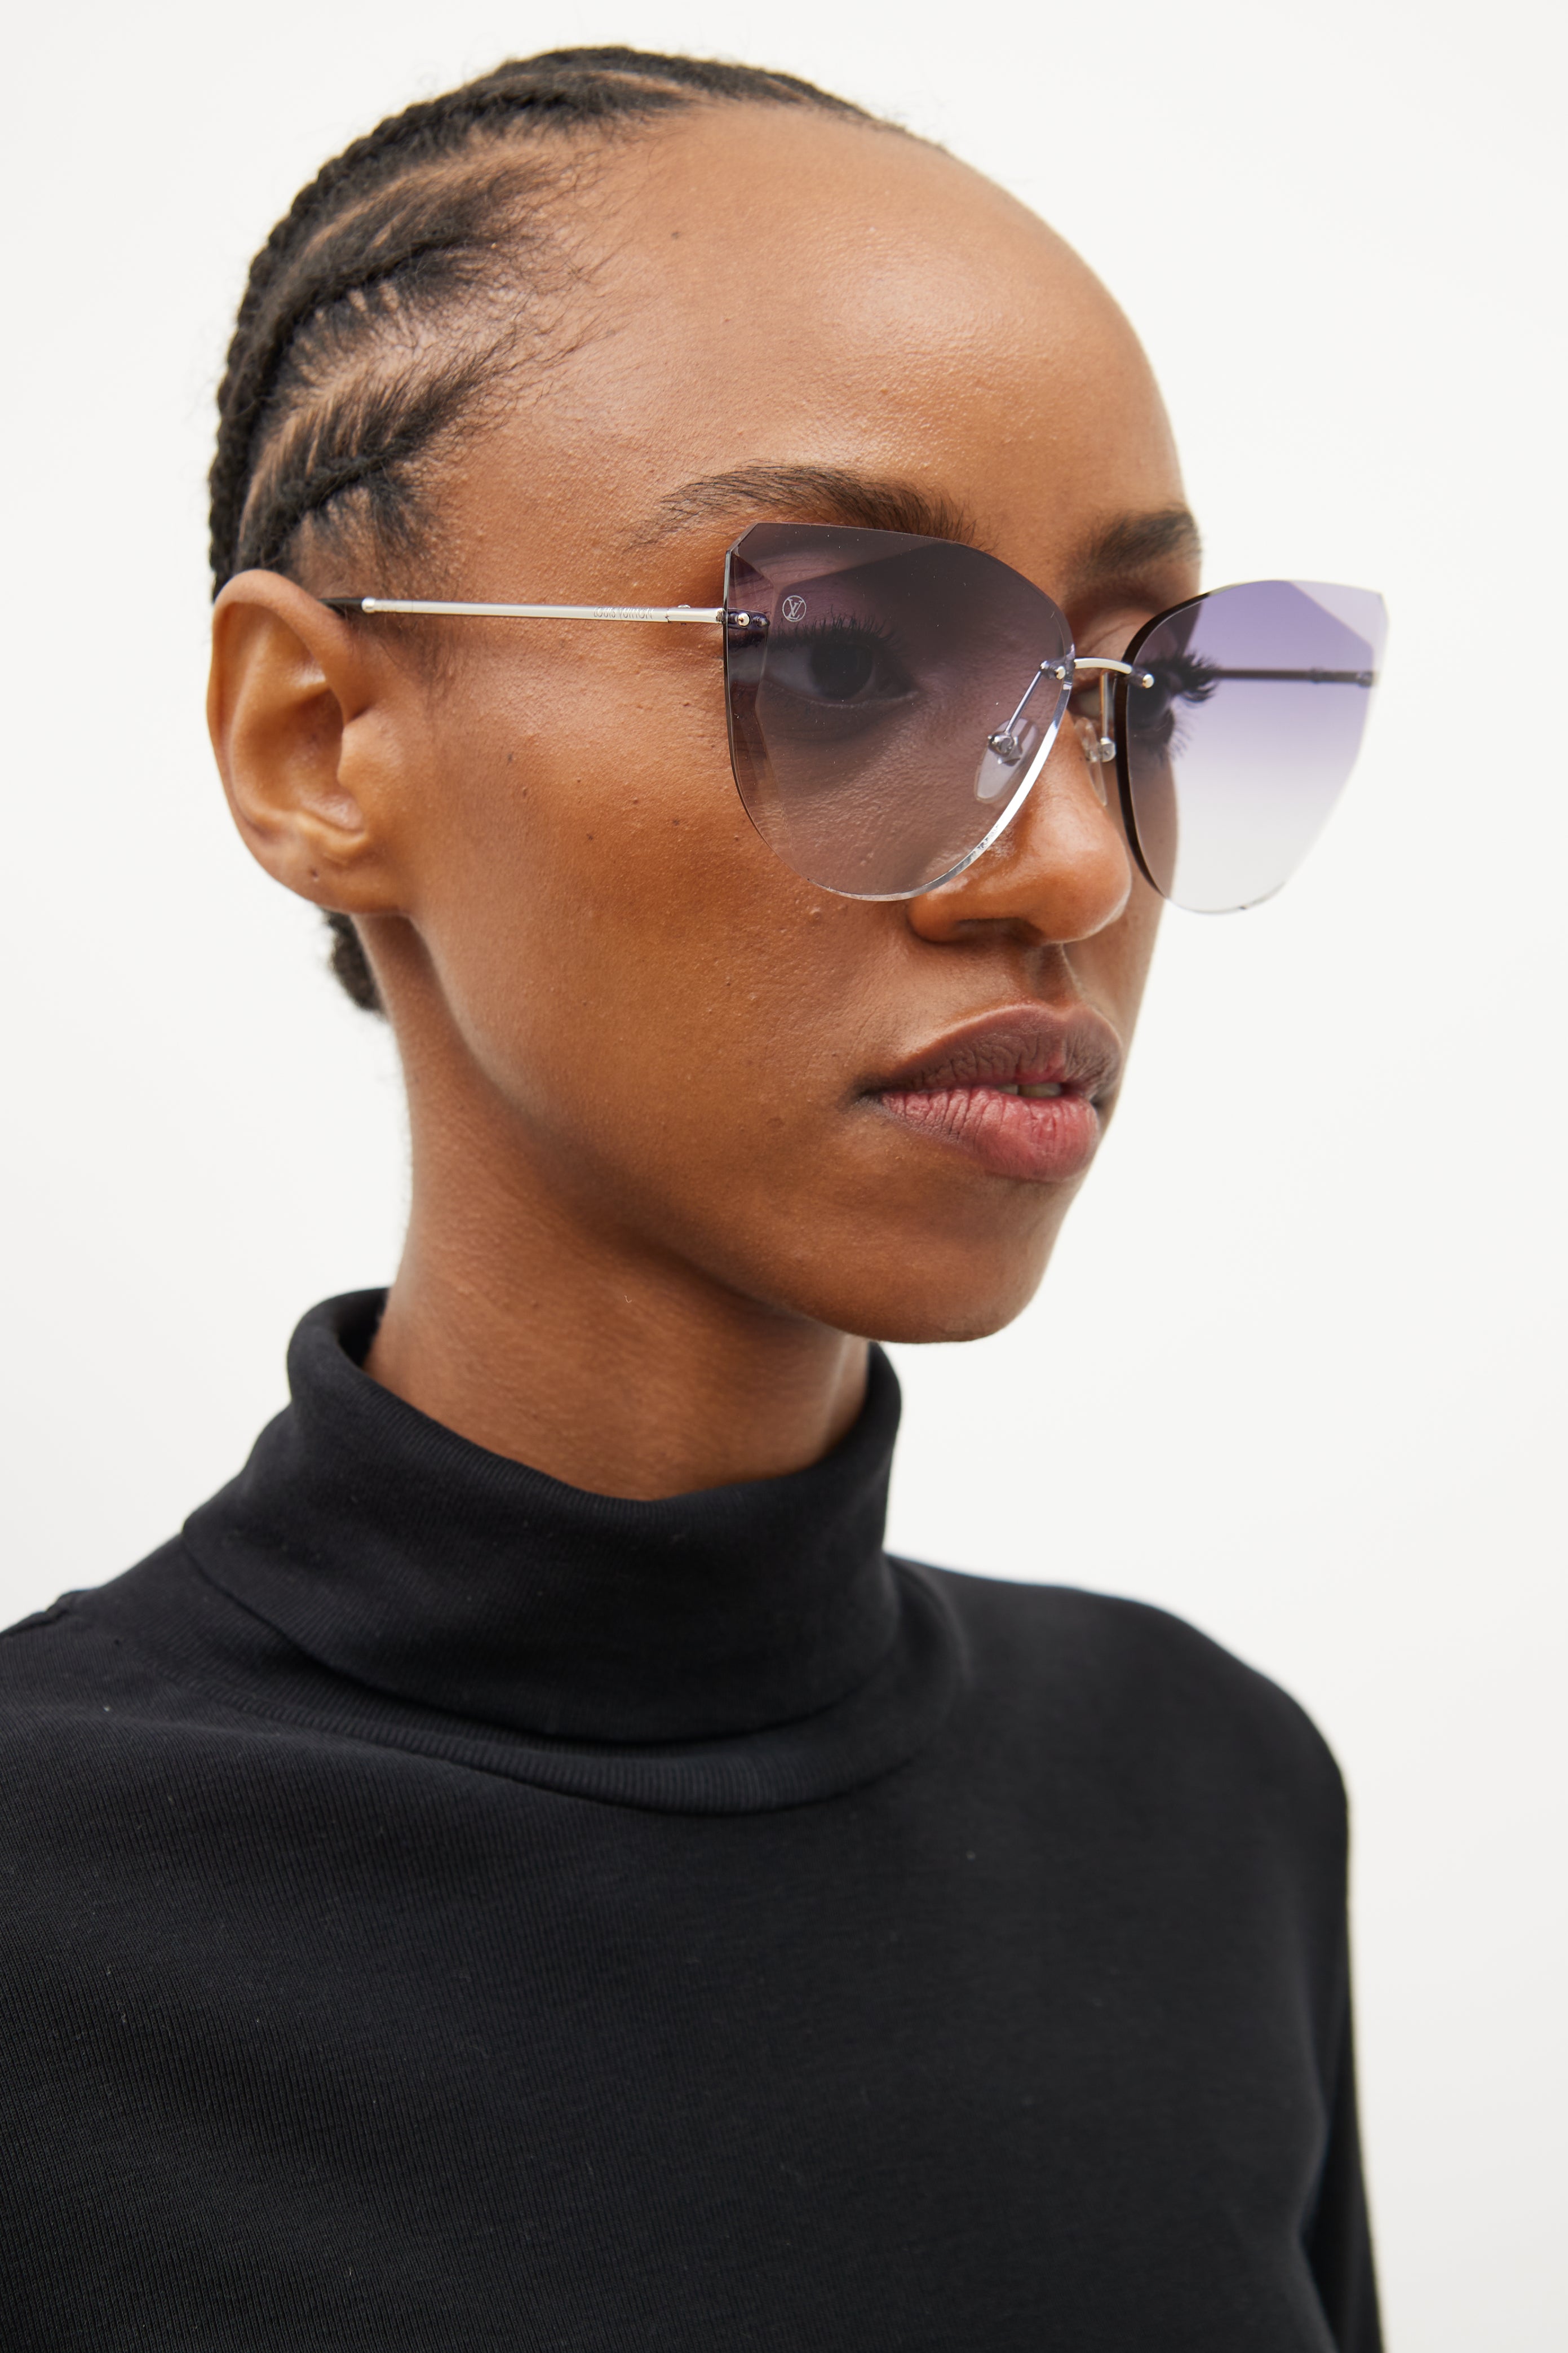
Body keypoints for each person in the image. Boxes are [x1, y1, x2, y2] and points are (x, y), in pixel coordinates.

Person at [0, 46, 1384, 2351]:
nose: (1072, 863)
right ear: (319, 745)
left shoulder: (1206, 1801)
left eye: (1146, 692)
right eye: (844, 661)